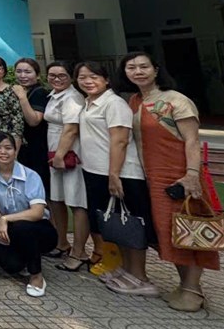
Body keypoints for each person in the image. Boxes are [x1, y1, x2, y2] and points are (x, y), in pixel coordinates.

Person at [123, 52, 217, 312]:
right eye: (131, 67)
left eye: (144, 67)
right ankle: (186, 284)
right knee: (168, 231)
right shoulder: (134, 101)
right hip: (151, 175)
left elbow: (192, 141)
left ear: (156, 70)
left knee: (189, 230)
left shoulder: (176, 100)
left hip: (177, 175)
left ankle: (193, 289)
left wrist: (191, 174)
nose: (138, 71)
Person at [76, 60, 156, 296]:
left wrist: (114, 174)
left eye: (94, 77)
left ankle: (140, 277)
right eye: (82, 77)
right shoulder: (89, 102)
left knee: (131, 224)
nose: (88, 81)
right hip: (95, 171)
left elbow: (119, 140)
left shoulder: (114, 104)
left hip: (122, 174)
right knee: (114, 224)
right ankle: (125, 269)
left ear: (107, 80)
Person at [0, 132, 58, 297]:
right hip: (10, 228)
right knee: (10, 266)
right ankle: (25, 256)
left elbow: (37, 212)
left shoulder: (30, 175)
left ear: (15, 150)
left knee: (22, 227)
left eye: (8, 148)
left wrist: (5, 219)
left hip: (39, 228)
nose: (3, 152)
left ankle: (36, 275)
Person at [43, 60, 91, 271]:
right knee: (57, 199)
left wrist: (61, 155)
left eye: (62, 75)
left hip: (69, 153)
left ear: (70, 77)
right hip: (55, 151)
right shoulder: (55, 95)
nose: (56, 79)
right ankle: (61, 242)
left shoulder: (72, 97)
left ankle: (79, 252)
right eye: (52, 75)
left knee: (76, 201)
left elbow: (71, 129)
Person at [14, 58, 51, 197]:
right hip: (25, 148)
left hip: (38, 149)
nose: (22, 75)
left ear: (37, 75)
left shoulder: (39, 93)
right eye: (19, 71)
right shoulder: (22, 91)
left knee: (40, 191)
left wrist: (22, 98)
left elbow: (34, 120)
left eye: (28, 72)